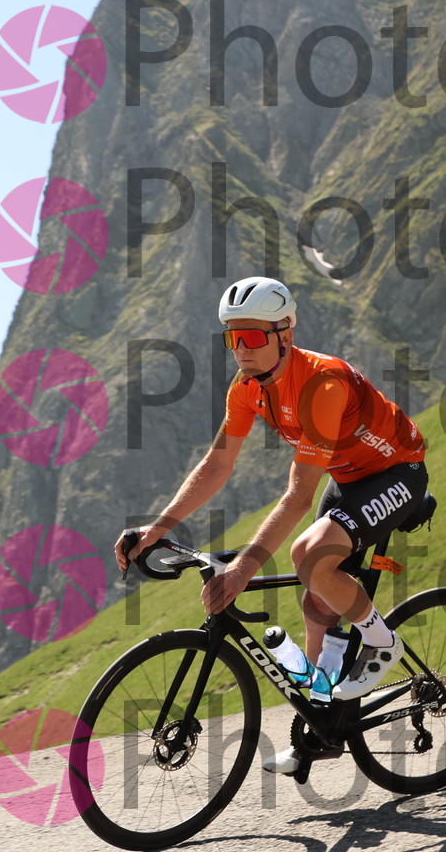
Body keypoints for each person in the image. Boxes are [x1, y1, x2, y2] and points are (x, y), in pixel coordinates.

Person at [116, 275, 429, 775]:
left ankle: (381, 641)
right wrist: (156, 529)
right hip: (348, 479)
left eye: (253, 336)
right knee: (316, 600)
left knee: (308, 556)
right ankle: (323, 730)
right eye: (233, 337)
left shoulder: (322, 384)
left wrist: (243, 570)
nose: (242, 349)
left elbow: (298, 496)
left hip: (397, 472)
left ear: (285, 333)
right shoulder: (247, 389)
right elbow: (217, 465)